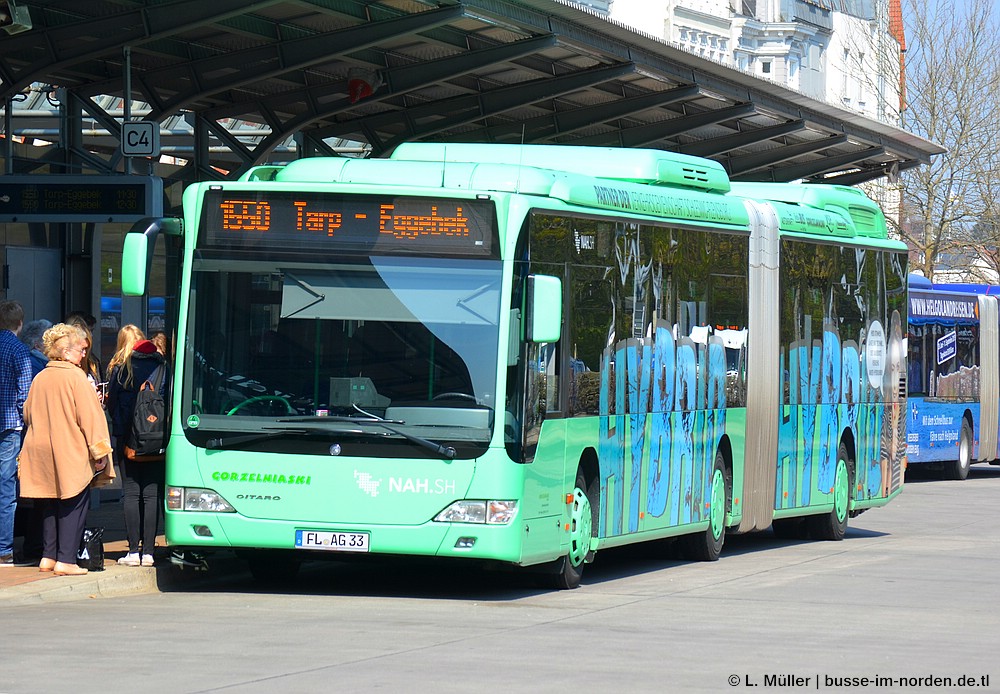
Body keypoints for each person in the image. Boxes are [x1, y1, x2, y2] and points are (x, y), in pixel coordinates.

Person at [18, 323, 114, 575]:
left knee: (48, 504)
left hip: (39, 449)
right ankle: (66, 560)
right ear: (66, 351)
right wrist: (101, 453)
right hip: (69, 450)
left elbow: (27, 413)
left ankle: (48, 557)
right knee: (73, 504)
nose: (84, 354)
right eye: (81, 349)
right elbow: (91, 419)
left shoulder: (41, 377)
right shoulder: (76, 378)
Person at [107, 333, 169, 567]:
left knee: (132, 493)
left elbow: (112, 403)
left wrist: (123, 429)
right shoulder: (165, 370)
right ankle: (149, 552)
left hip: (127, 441)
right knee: (152, 494)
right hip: (155, 440)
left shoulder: (123, 369)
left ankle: (133, 551)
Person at [13, 318, 53, 565]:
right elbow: (27, 403)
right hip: (30, 434)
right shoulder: (39, 367)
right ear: (40, 343)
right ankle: (36, 546)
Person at [0, 301, 32, 567]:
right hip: (9, 426)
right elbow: (25, 394)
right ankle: (4, 550)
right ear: (19, 324)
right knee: (6, 489)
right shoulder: (20, 350)